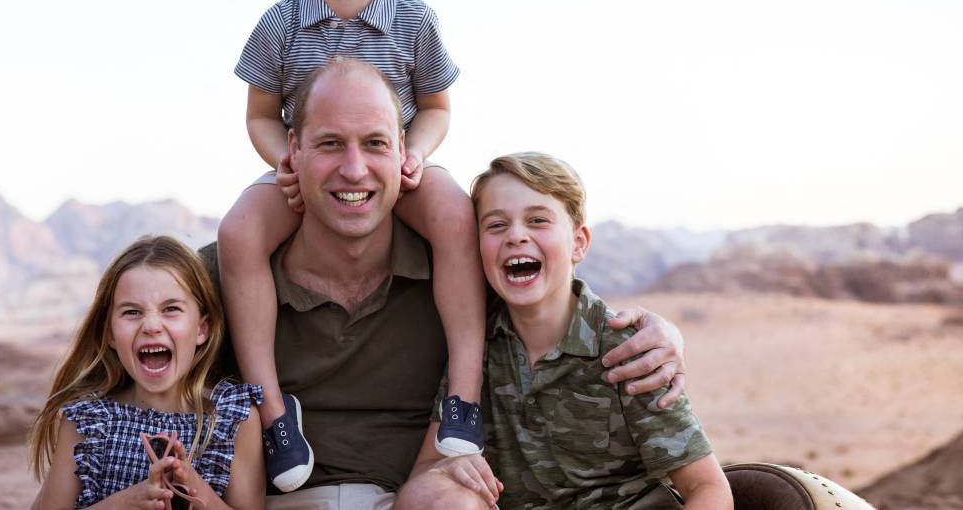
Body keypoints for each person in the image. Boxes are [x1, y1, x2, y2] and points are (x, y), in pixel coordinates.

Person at [203, 57, 688, 509]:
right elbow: (139, 327)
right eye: (331, 143)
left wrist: (661, 333)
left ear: (404, 153)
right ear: (293, 150)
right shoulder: (224, 276)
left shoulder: (458, 272)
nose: (355, 169)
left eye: (375, 143)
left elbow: (550, 308)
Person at [218, 0, 489, 491]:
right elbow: (261, 115)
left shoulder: (415, 19)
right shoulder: (279, 23)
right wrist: (281, 162)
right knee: (239, 230)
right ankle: (273, 413)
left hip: (396, 165)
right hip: (305, 170)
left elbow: (437, 107)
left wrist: (414, 154)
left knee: (453, 213)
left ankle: (464, 397)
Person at [399, 153, 733, 509]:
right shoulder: (475, 347)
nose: (516, 236)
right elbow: (426, 478)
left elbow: (708, 488)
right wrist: (452, 467)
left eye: (538, 220)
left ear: (579, 244)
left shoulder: (627, 349)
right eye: (496, 225)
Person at [29, 235, 265, 510]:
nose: (152, 325)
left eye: (171, 309)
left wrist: (191, 485)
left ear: (202, 328)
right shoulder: (88, 420)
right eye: (132, 312)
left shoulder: (233, 418)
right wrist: (126, 503)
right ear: (111, 335)